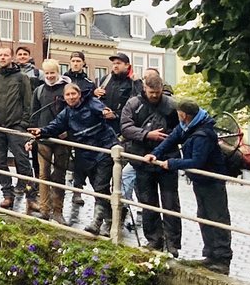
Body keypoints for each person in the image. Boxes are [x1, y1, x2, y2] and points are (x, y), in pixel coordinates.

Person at [147, 100, 232, 274]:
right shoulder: (187, 127)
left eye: (179, 114)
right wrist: (155, 154)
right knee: (203, 216)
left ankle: (222, 258)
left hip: (212, 181)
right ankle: (210, 254)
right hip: (200, 180)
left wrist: (172, 163)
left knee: (217, 218)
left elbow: (197, 161)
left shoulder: (203, 134)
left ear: (184, 115)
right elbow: (171, 139)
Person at [31, 81, 116, 234]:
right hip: (85, 153)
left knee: (101, 186)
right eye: (68, 95)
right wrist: (41, 131)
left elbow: (102, 109)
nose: (71, 97)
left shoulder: (91, 103)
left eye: (73, 94)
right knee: (98, 187)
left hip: (104, 148)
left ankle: (97, 223)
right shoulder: (67, 112)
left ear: (79, 94)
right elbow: (55, 126)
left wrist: (105, 112)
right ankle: (110, 220)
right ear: (64, 97)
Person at [121, 73, 182, 254]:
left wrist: (168, 140)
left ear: (162, 89)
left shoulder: (171, 106)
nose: (154, 95)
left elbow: (181, 129)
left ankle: (173, 242)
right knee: (148, 202)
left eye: (157, 92)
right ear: (145, 88)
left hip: (166, 159)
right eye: (151, 92)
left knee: (170, 203)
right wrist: (146, 134)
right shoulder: (133, 104)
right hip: (142, 159)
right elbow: (125, 127)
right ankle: (154, 239)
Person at [0, 46, 38, 213]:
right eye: (1, 55)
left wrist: (23, 124)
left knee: (23, 162)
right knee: (0, 162)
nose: (3, 57)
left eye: (6, 55)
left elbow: (28, 103)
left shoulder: (21, 78)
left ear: (11, 58)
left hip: (15, 126)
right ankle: (7, 194)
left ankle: (31, 196)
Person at [32, 59, 70, 224]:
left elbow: (72, 113)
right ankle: (44, 209)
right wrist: (33, 134)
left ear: (57, 72)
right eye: (47, 73)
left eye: (52, 73)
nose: (50, 76)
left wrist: (67, 132)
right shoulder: (39, 91)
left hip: (62, 139)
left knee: (60, 175)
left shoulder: (66, 90)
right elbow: (33, 113)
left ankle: (58, 210)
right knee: (43, 174)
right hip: (43, 138)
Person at [66, 51, 97, 205]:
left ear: (83, 63)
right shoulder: (63, 79)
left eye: (78, 61)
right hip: (65, 123)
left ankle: (77, 190)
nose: (75, 63)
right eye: (73, 60)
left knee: (80, 159)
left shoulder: (89, 83)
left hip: (82, 126)